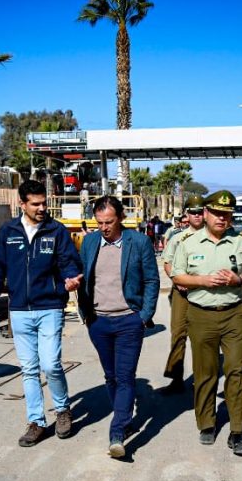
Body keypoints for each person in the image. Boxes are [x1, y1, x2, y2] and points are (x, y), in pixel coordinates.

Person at [0, 180, 83, 447]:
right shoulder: (8, 231)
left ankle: (62, 410)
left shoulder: (56, 230)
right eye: (35, 204)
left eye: (43, 203)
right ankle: (36, 421)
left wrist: (71, 280)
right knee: (28, 369)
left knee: (50, 364)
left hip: (49, 307)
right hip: (19, 310)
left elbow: (69, 264)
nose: (41, 208)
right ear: (22, 204)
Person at [171, 190, 242, 457]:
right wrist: (203, 281)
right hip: (201, 314)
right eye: (218, 214)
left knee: (236, 370)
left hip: (233, 313)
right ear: (206, 213)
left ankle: (237, 431)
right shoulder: (188, 242)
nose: (223, 219)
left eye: (227, 215)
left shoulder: (239, 242)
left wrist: (238, 280)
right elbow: (177, 277)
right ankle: (207, 423)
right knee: (205, 373)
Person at [77, 196, 159, 458]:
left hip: (128, 321)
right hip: (98, 321)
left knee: (125, 377)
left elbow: (152, 280)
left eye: (109, 222)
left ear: (121, 218)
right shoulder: (89, 242)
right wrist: (85, 314)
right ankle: (124, 418)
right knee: (110, 376)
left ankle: (117, 432)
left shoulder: (139, 242)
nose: (104, 227)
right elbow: (82, 277)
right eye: (99, 222)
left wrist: (143, 316)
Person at [160, 195, 205, 394]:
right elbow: (167, 263)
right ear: (187, 214)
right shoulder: (178, 238)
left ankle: (202, 380)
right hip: (181, 293)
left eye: (200, 211)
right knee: (178, 334)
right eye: (193, 212)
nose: (197, 215)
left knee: (201, 337)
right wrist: (178, 280)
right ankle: (176, 378)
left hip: (203, 292)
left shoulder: (211, 236)